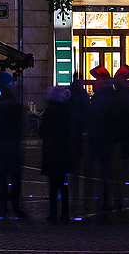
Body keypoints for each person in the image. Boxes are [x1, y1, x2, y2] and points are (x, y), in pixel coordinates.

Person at [0, 75, 26, 220]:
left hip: (1, 144)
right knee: (13, 177)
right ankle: (13, 208)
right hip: (9, 143)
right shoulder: (8, 103)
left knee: (2, 175)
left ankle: (2, 208)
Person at [39, 85, 76, 221]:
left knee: (53, 185)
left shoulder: (49, 111)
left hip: (51, 150)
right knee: (63, 183)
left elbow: (42, 132)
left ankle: (53, 213)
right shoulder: (66, 110)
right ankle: (65, 213)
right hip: (64, 149)